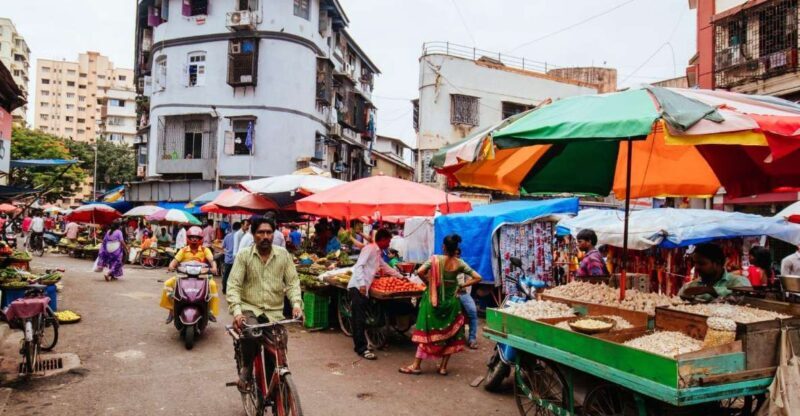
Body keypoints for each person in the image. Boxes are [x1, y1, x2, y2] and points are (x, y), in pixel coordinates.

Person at [227, 216, 303, 391]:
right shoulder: (244, 256)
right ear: (253, 234)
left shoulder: (283, 255)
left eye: (269, 232)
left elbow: (292, 283)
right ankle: (246, 367)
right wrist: (237, 312)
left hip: (274, 313)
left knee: (277, 354)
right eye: (261, 232)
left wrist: (296, 304)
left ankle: (275, 392)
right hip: (250, 309)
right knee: (251, 332)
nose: (265, 236)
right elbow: (234, 285)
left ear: (273, 234)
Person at [400, 234, 481, 375]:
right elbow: (478, 277)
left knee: (426, 333)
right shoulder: (459, 263)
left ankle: (416, 365)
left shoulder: (435, 259)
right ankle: (443, 367)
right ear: (456, 249)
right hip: (451, 304)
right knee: (450, 335)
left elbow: (420, 271)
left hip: (433, 302)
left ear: (443, 247)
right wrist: (461, 285)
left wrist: (429, 283)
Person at [347, 228, 404, 360]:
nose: (389, 244)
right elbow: (359, 265)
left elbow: (384, 266)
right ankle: (361, 348)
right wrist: (361, 283)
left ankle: (363, 344)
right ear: (383, 239)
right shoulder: (370, 248)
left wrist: (400, 276)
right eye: (388, 241)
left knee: (361, 317)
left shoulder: (377, 251)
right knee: (359, 318)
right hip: (358, 286)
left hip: (364, 287)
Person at [161, 226, 219, 324]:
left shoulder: (205, 250)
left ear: (201, 239)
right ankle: (171, 310)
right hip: (183, 276)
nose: (194, 240)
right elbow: (175, 261)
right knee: (167, 284)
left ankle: (210, 311)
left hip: (202, 277)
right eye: (192, 237)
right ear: (188, 238)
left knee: (213, 285)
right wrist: (171, 266)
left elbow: (212, 260)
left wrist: (214, 267)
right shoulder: (183, 250)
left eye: (197, 237)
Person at [679, 243, 751, 302]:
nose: (696, 267)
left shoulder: (738, 281)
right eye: (695, 263)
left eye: (702, 263)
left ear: (717, 263)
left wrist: (710, 290)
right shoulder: (692, 285)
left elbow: (744, 297)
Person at [455, 248, 481, 349]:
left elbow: (471, 279)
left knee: (473, 312)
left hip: (462, 293)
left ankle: (472, 339)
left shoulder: (463, 264)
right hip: (450, 294)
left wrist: (462, 287)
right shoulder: (445, 264)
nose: (456, 256)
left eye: (458, 254)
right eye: (454, 254)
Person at [222, 222, 240, 295]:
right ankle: (233, 291)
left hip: (228, 259)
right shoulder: (240, 236)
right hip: (236, 260)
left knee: (226, 275)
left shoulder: (227, 236)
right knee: (235, 276)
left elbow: (223, 246)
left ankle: (224, 290)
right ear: (239, 228)